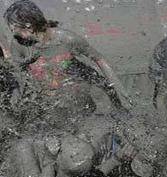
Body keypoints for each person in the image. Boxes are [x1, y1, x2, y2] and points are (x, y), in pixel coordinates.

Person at [3, 0, 132, 119]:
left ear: (29, 26)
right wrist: (15, 101)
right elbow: (18, 75)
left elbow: (99, 60)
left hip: (77, 100)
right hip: (48, 103)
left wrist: (121, 93)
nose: (13, 33)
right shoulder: (19, 44)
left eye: (14, 29)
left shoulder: (67, 39)